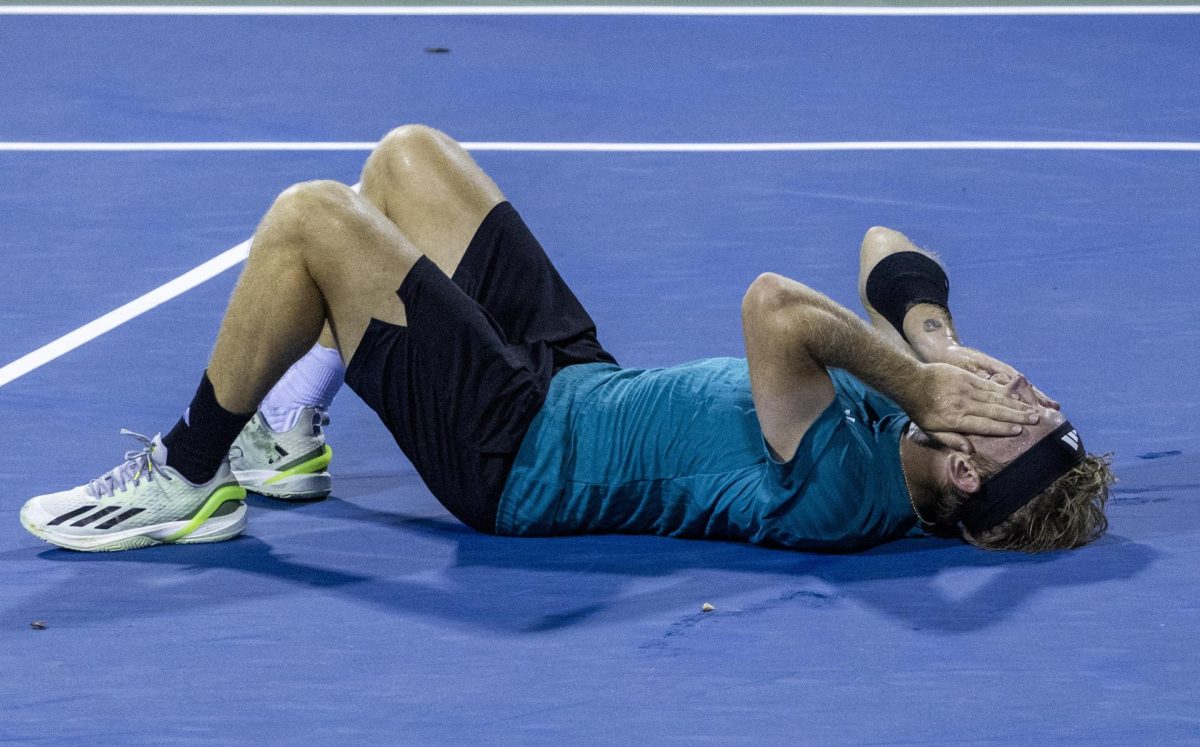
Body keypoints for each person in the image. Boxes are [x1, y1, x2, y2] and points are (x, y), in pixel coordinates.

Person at [19, 125, 1113, 554]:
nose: (1021, 392)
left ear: (966, 468)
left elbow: (776, 304)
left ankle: (190, 474)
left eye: (1023, 419)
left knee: (313, 216)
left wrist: (920, 382)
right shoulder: (931, 409)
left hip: (514, 460)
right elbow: (890, 246)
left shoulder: (846, 492)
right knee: (408, 159)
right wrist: (937, 342)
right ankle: (289, 433)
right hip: (573, 388)